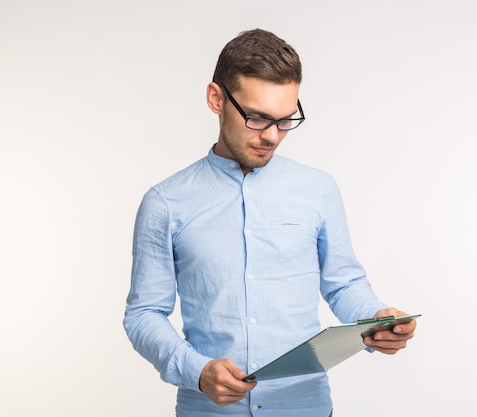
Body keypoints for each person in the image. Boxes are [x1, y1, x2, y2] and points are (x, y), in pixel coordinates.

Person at [123, 28, 417, 417]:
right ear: (216, 99)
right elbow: (143, 313)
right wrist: (196, 370)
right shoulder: (165, 202)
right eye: (258, 118)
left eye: (285, 120)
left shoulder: (318, 190)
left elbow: (343, 283)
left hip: (306, 407)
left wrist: (376, 320)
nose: (273, 136)